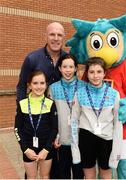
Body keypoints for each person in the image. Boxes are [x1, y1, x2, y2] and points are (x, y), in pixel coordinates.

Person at [16, 21, 67, 178]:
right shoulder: (32, 58)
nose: (56, 38)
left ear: (64, 37)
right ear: (46, 35)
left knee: (55, 165)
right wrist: (22, 112)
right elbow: (21, 87)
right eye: (52, 34)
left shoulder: (67, 60)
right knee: (31, 170)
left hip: (60, 119)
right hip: (35, 118)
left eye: (59, 35)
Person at [71, 57, 123, 179]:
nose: (95, 76)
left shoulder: (114, 94)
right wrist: (75, 149)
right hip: (86, 137)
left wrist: (116, 151)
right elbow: (74, 120)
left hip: (106, 139)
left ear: (104, 73)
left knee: (106, 174)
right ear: (87, 74)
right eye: (92, 72)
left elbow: (118, 123)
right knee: (89, 175)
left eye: (99, 72)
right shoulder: (79, 93)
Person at [14, 70, 58, 179]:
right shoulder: (22, 103)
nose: (39, 86)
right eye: (35, 83)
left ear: (46, 85)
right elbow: (17, 129)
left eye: (42, 83)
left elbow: (54, 128)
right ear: (29, 85)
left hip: (46, 148)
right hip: (29, 149)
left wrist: (46, 149)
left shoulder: (50, 103)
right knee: (31, 177)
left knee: (45, 176)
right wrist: (25, 149)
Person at [49, 54, 84, 179]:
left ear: (75, 69)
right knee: (63, 174)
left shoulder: (84, 87)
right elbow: (51, 116)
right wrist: (55, 136)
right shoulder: (53, 88)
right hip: (61, 140)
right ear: (59, 69)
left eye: (71, 66)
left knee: (79, 175)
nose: (68, 70)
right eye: (64, 67)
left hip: (79, 141)